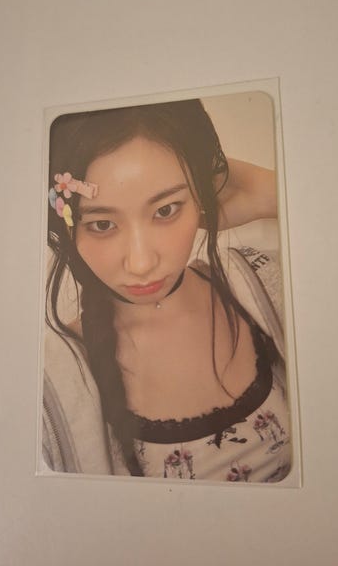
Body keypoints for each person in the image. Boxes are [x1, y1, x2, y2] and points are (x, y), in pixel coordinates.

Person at [42, 98, 291, 482]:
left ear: (201, 199)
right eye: (102, 224)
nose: (141, 263)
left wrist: (269, 191)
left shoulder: (261, 282)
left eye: (166, 210)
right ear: (66, 225)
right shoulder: (48, 387)